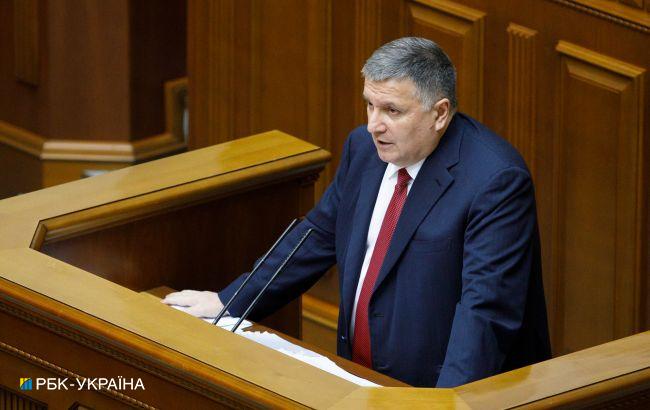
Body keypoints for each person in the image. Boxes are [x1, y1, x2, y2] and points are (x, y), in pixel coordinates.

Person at [163, 37, 551, 387]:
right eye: (370, 104)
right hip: (358, 379)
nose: (373, 125)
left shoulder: (494, 181)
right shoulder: (364, 150)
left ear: (439, 113)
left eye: (392, 110)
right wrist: (231, 301)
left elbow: (484, 313)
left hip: (432, 390)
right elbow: (318, 235)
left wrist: (445, 404)